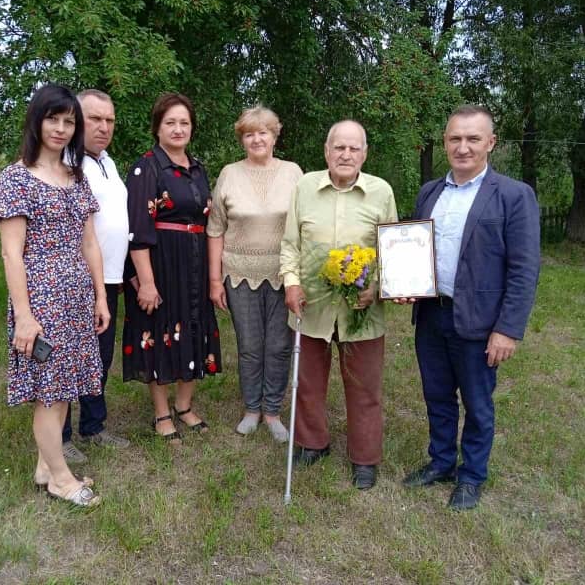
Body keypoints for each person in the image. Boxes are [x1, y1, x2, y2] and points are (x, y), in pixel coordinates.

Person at [397, 105, 540, 510]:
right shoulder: (430, 192)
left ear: (490, 143)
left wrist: (508, 329)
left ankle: (472, 475)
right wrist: (408, 284)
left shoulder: (513, 195)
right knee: (437, 395)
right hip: (432, 314)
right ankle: (441, 462)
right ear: (445, 142)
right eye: (455, 138)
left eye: (473, 139)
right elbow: (415, 249)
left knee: (477, 403)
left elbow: (524, 269)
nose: (463, 147)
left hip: (480, 321)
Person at [0, 84, 111, 506]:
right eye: (52, 119)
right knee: (49, 390)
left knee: (67, 385)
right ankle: (61, 479)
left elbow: (90, 243)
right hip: (41, 299)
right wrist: (24, 316)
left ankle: (46, 467)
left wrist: (100, 296)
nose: (60, 129)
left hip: (77, 297)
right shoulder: (16, 178)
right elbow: (11, 253)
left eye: (68, 121)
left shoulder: (75, 177)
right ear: (36, 121)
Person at [279, 120, 398, 490]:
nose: (346, 155)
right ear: (326, 152)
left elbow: (393, 250)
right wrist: (292, 284)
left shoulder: (381, 192)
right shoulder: (304, 187)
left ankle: (364, 457)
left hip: (361, 310)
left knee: (365, 385)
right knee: (308, 382)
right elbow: (290, 245)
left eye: (354, 148)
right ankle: (313, 443)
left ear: (364, 153)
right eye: (339, 148)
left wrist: (377, 288)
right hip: (310, 304)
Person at [122, 92, 222, 443]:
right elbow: (136, 229)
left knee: (193, 328)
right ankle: (161, 413)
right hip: (160, 264)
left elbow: (208, 221)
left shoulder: (197, 168)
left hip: (194, 262)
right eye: (170, 123)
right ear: (158, 127)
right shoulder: (146, 167)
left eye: (184, 123)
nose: (178, 129)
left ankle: (184, 406)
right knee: (159, 331)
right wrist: (146, 282)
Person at [207, 106, 302, 441]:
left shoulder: (293, 173)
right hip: (238, 274)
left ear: (274, 136)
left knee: (279, 344)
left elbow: (305, 223)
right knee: (249, 345)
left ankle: (273, 411)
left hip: (284, 274)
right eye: (249, 133)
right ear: (242, 139)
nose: (256, 139)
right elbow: (215, 228)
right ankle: (251, 408)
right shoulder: (229, 174)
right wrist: (215, 279)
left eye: (263, 132)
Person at [60, 90, 131, 464]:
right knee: (68, 358)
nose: (104, 128)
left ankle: (94, 425)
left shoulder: (107, 162)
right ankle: (61, 435)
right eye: (95, 119)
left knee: (99, 358)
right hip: (77, 278)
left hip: (111, 278)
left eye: (109, 121)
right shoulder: (65, 164)